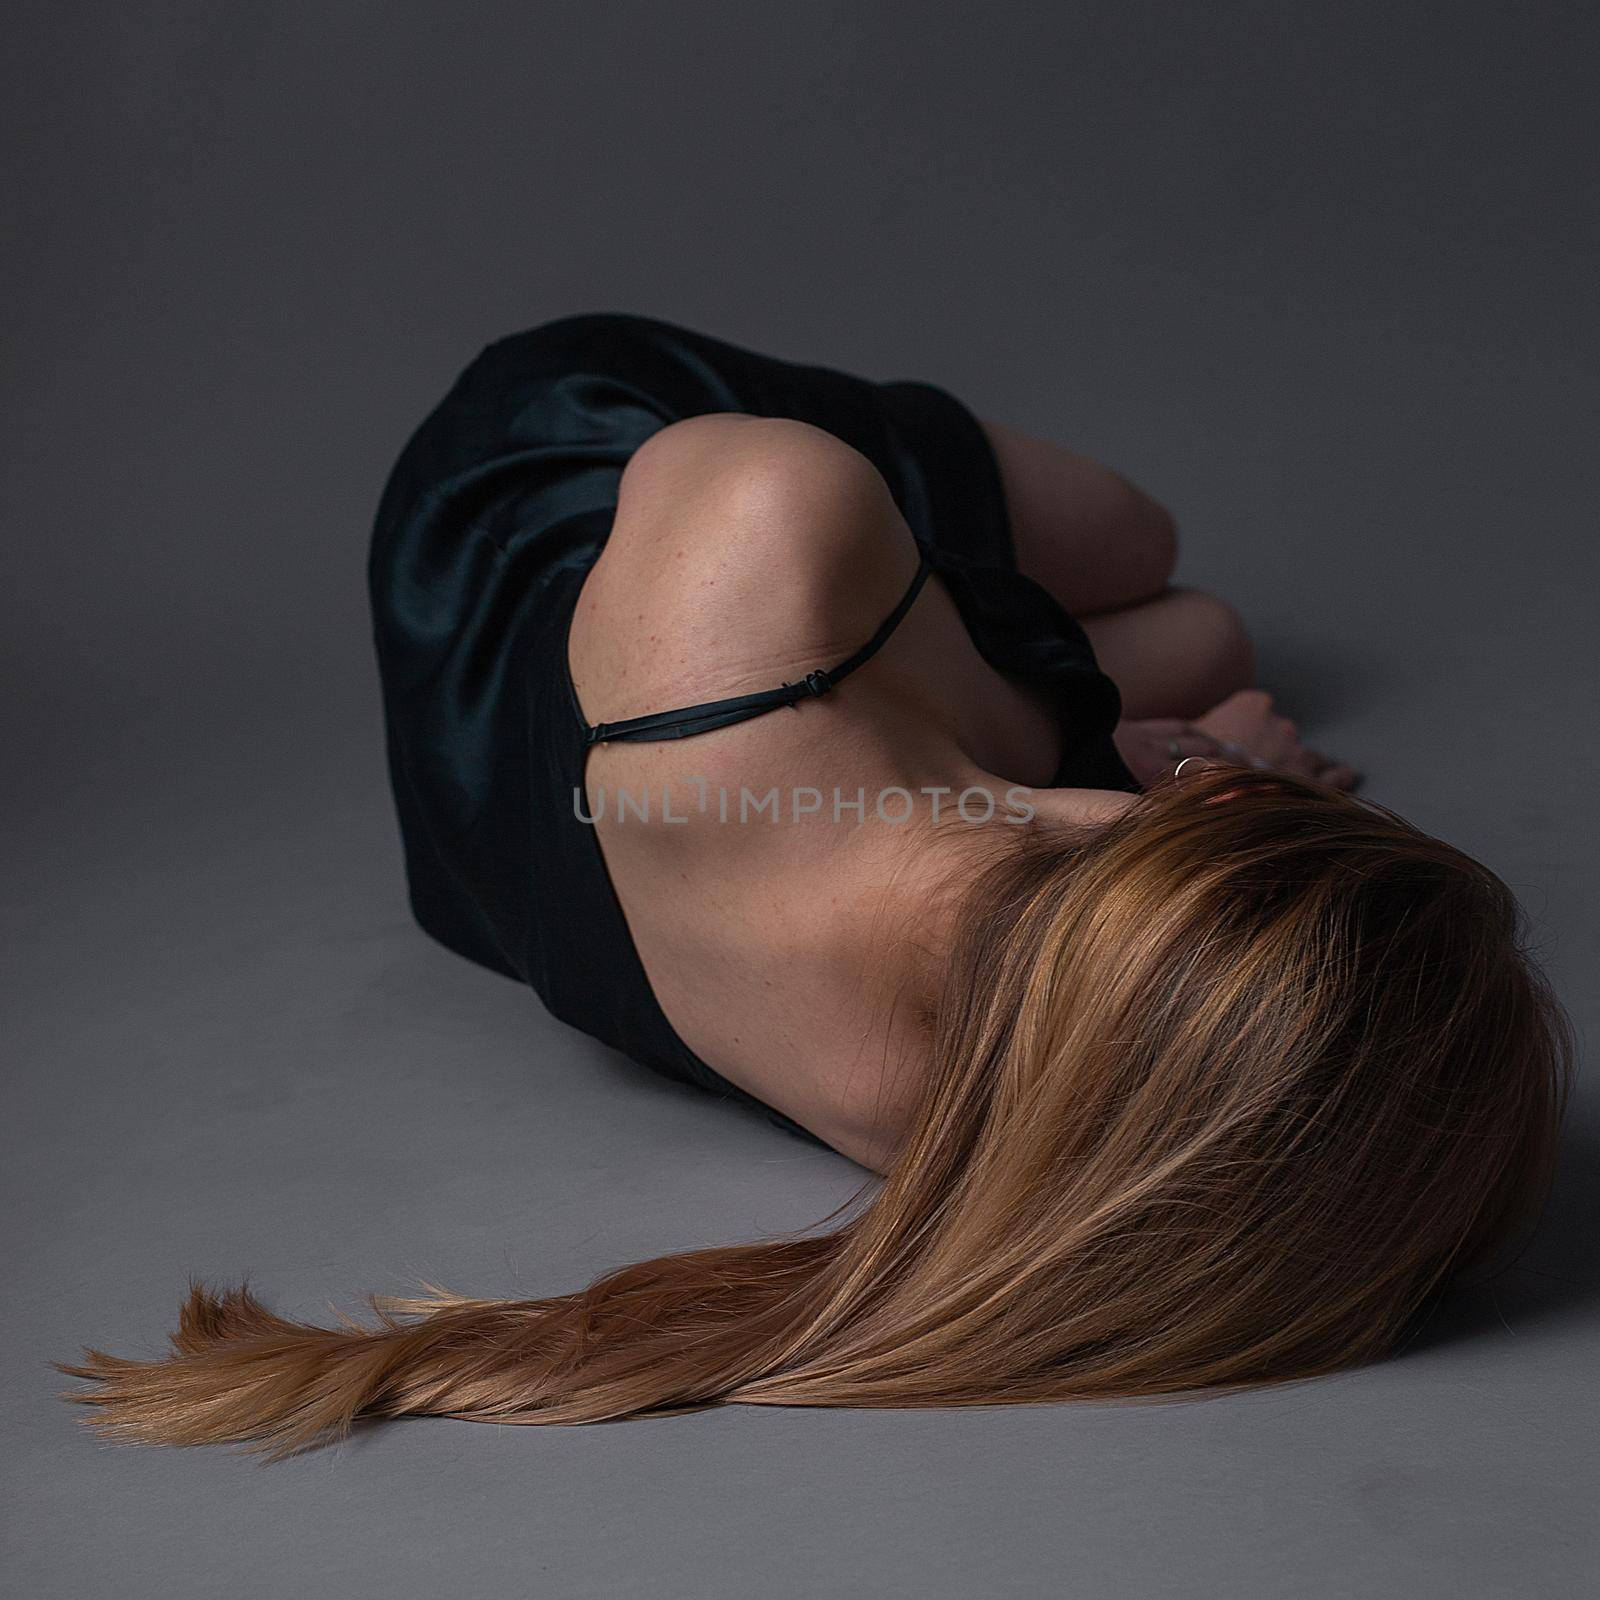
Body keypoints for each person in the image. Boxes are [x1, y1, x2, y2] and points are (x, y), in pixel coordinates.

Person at [57, 313, 1571, 1457]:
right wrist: (1187, 806)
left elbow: (821, 616)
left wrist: (1205, 811)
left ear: (1207, 828)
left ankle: (1118, 720)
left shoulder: (769, 518)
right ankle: (1119, 725)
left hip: (538, 542)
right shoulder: (988, 1118)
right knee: (1205, 638)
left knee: (1157, 567)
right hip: (564, 872)